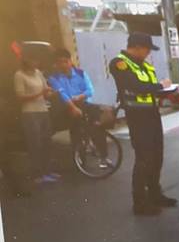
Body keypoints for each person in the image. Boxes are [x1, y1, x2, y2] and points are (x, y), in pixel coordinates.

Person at [109, 32, 177, 215]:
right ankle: (139, 203)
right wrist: (161, 86)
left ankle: (155, 194)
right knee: (144, 159)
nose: (148, 53)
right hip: (137, 117)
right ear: (137, 47)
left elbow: (149, 90)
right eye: (147, 49)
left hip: (152, 114)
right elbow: (135, 86)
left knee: (157, 156)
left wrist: (166, 91)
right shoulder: (119, 63)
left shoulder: (145, 65)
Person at [48, 48, 110, 168]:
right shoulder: (54, 78)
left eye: (65, 61)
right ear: (56, 63)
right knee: (76, 131)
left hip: (83, 103)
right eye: (60, 62)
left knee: (98, 125)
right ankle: (80, 160)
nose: (63, 64)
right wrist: (72, 106)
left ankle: (104, 156)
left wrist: (80, 96)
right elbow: (62, 94)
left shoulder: (81, 73)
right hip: (67, 106)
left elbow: (90, 90)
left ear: (70, 61)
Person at [14, 54, 59, 184]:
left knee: (46, 141)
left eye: (37, 59)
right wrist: (40, 93)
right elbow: (20, 97)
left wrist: (52, 93)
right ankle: (37, 174)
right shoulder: (19, 75)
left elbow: (46, 91)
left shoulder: (38, 73)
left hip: (43, 110)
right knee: (35, 143)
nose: (36, 62)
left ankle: (47, 171)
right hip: (30, 112)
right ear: (26, 60)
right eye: (33, 59)